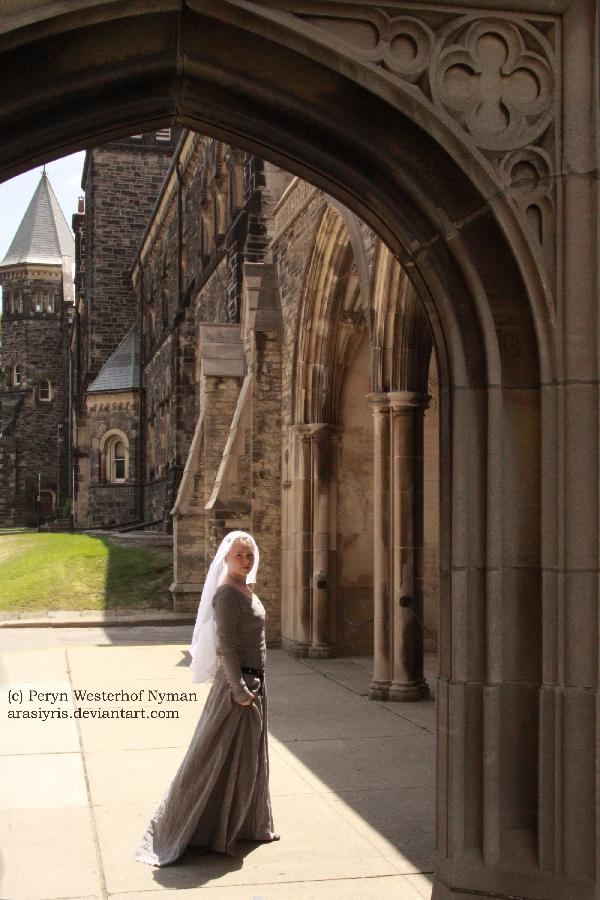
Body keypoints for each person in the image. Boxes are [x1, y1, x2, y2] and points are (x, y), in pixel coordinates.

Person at [134, 530, 279, 866]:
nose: (247, 560)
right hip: (237, 687)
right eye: (240, 555)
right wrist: (239, 690)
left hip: (255, 684)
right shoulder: (227, 595)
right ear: (225, 558)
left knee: (247, 759)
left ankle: (246, 824)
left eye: (250, 554)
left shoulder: (244, 588)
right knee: (212, 758)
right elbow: (225, 646)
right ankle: (196, 829)